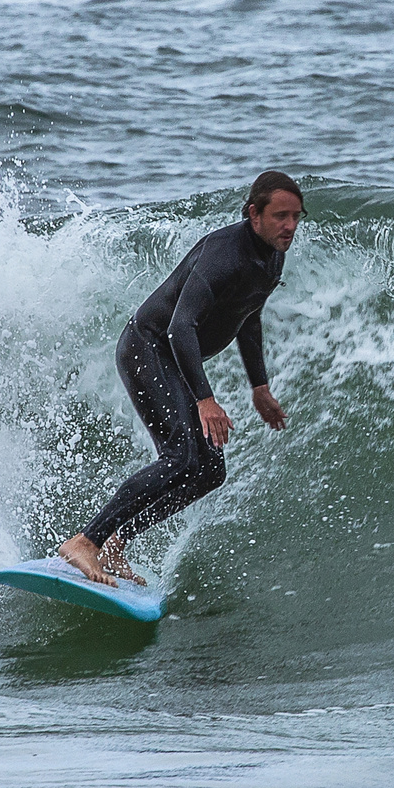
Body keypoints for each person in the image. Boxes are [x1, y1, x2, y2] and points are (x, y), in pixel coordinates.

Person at [57, 171, 305, 587]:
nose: (290, 226)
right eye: (281, 216)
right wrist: (204, 399)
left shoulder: (271, 256)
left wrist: (259, 387)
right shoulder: (223, 255)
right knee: (180, 456)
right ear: (253, 214)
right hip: (147, 348)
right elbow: (178, 327)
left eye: (297, 217)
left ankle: (118, 543)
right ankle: (86, 541)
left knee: (208, 471)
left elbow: (249, 316)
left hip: (170, 359)